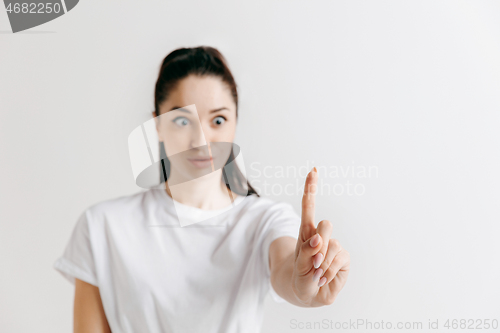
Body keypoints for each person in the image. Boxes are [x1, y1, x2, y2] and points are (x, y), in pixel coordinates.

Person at [54, 46, 350, 333]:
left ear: (235, 124)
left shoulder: (264, 220)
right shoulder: (102, 226)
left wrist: (304, 284)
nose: (201, 139)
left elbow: (286, 269)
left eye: (218, 120)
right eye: (182, 120)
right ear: (157, 123)